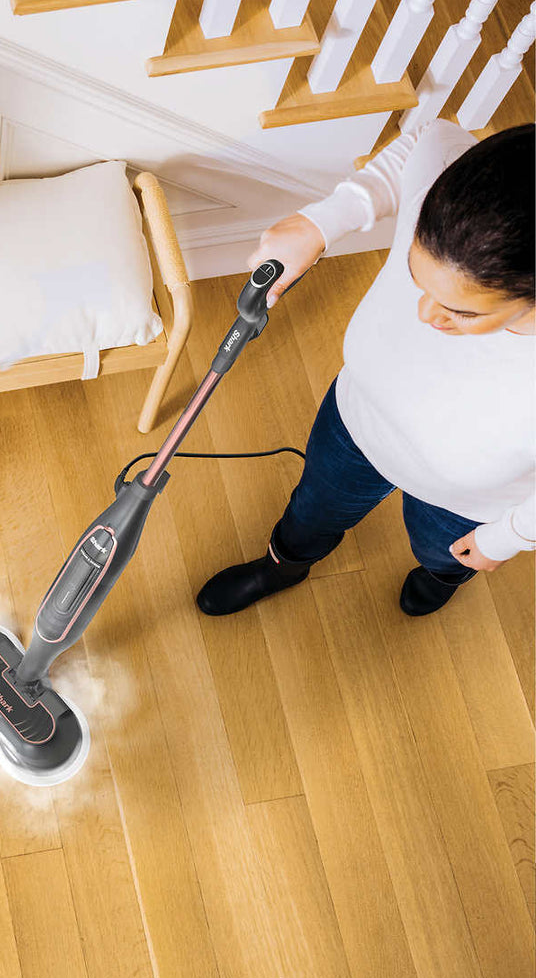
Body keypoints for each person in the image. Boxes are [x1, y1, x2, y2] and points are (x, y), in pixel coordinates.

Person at [197, 121, 534, 618]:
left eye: (462, 312)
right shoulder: (449, 205)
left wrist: (508, 538)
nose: (424, 315)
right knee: (309, 514)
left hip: (467, 502)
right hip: (356, 426)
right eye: (416, 278)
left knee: (439, 554)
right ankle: (282, 566)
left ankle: (439, 575)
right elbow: (427, 136)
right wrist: (320, 222)